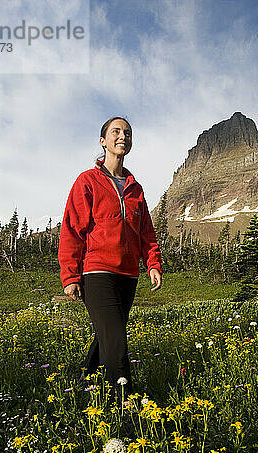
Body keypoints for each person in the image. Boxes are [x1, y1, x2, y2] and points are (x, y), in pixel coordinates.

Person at [58, 116, 163, 403]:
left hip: (128, 275)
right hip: (97, 271)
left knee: (108, 333)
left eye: (127, 133)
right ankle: (123, 402)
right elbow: (71, 229)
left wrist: (153, 263)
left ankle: (85, 382)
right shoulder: (88, 181)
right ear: (103, 140)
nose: (123, 136)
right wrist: (70, 276)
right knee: (116, 338)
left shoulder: (135, 188)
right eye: (115, 131)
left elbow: (146, 233)